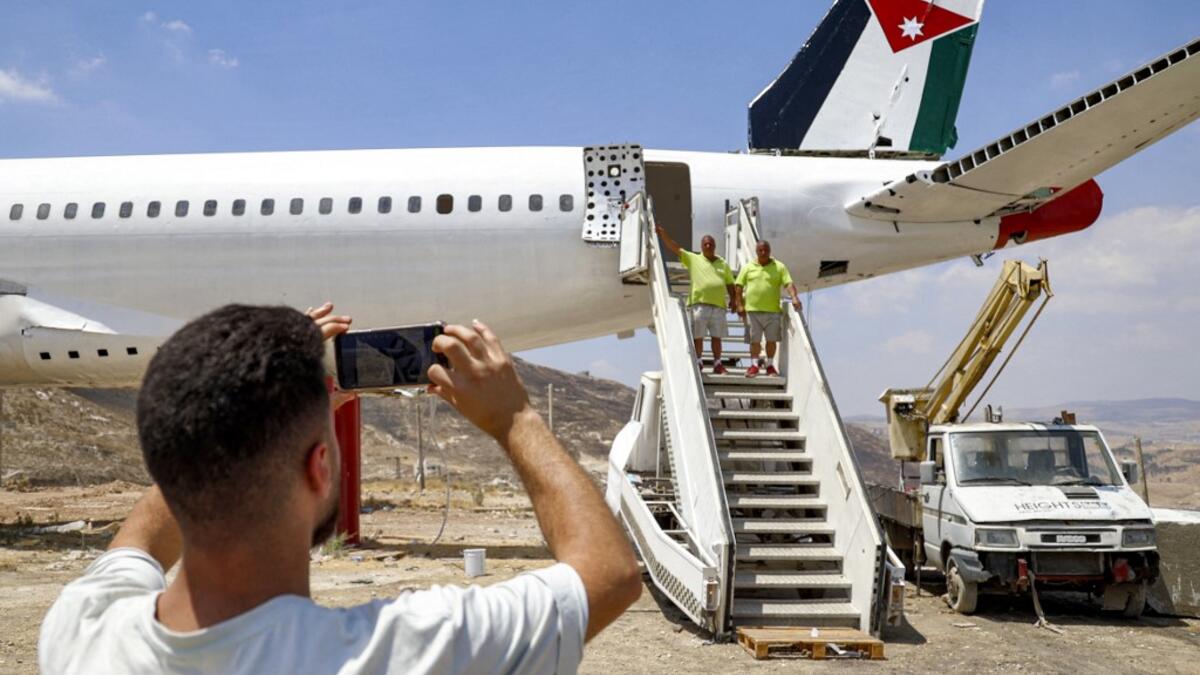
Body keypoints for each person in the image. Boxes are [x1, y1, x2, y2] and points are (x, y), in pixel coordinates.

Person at [39, 302, 641, 674]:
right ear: (321, 467)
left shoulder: (81, 627)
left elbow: (139, 542)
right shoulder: (407, 652)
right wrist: (515, 419)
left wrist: (254, 400)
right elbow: (608, 575)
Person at [655, 224, 737, 374]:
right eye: (705, 244)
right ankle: (698, 361)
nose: (708, 246)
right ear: (701, 247)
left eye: (710, 244)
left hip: (718, 306)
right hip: (699, 305)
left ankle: (718, 363)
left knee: (717, 337)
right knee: (698, 336)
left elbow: (730, 283)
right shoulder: (693, 259)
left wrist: (733, 299)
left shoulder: (723, 263)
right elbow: (675, 248)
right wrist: (663, 236)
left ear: (714, 246)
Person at [734, 240, 802, 378]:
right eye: (760, 250)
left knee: (771, 340)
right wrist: (739, 305)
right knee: (754, 341)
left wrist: (794, 297)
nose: (763, 253)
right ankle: (754, 365)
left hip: (773, 311)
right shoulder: (748, 267)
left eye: (766, 250)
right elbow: (738, 286)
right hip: (752, 311)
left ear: (770, 251)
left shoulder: (779, 267)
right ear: (756, 251)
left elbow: (788, 283)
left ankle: (770, 365)